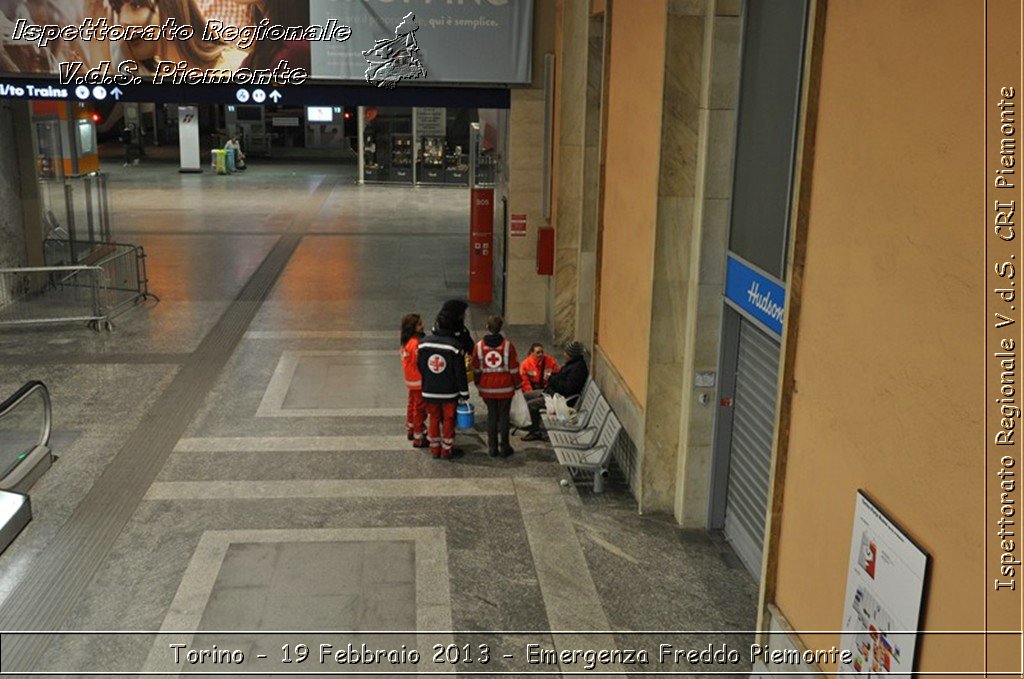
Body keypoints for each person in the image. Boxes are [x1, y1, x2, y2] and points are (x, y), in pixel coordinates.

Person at [418, 310, 470, 460]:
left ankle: (434, 449)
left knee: (433, 418)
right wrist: (464, 392)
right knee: (448, 419)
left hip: (429, 390)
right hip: (449, 392)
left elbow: (420, 366)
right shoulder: (455, 346)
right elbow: (459, 372)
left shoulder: (424, 344)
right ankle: (446, 449)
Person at [472, 316, 520, 458]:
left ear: (487, 327)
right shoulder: (507, 346)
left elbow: (475, 368)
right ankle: (505, 447)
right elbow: (514, 369)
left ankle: (492, 448)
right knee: (504, 417)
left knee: (492, 416)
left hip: (487, 388)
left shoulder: (479, 346)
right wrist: (517, 384)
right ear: (500, 328)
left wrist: (477, 383)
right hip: (505, 388)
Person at [523, 341, 589, 442]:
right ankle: (531, 425)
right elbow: (561, 378)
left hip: (559, 399)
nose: (564, 354)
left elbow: (566, 388)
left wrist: (550, 379)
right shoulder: (573, 364)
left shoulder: (577, 370)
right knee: (526, 396)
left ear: (571, 355)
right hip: (552, 392)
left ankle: (536, 432)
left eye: (566, 353)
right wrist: (552, 377)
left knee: (531, 405)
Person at [400, 313, 428, 449]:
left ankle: (410, 429)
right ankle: (418, 437)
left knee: (411, 405)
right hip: (419, 381)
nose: (423, 325)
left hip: (410, 380)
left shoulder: (406, 342)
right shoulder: (416, 344)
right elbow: (420, 362)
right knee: (420, 408)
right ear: (414, 327)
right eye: (420, 324)